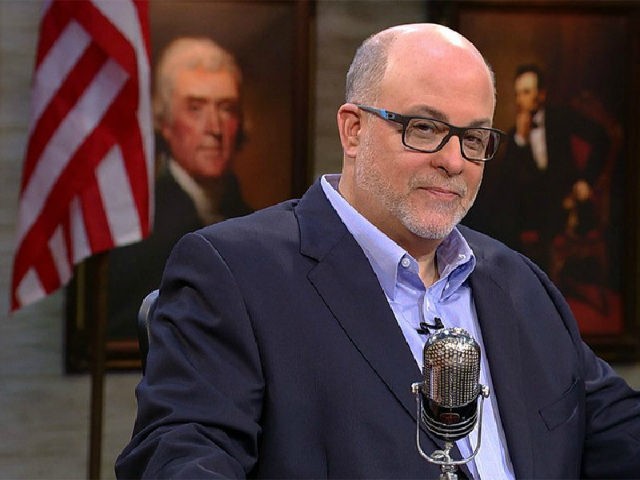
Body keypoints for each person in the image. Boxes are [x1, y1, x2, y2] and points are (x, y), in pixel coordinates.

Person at [116, 24, 640, 478]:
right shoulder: (233, 273)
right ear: (353, 130)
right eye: (425, 128)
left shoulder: (521, 283)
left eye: (474, 138)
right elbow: (179, 457)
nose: (454, 161)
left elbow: (616, 429)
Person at [106, 37, 252, 341]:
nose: (214, 128)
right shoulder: (138, 231)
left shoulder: (254, 221)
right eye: (195, 108)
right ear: (165, 122)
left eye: (226, 109)